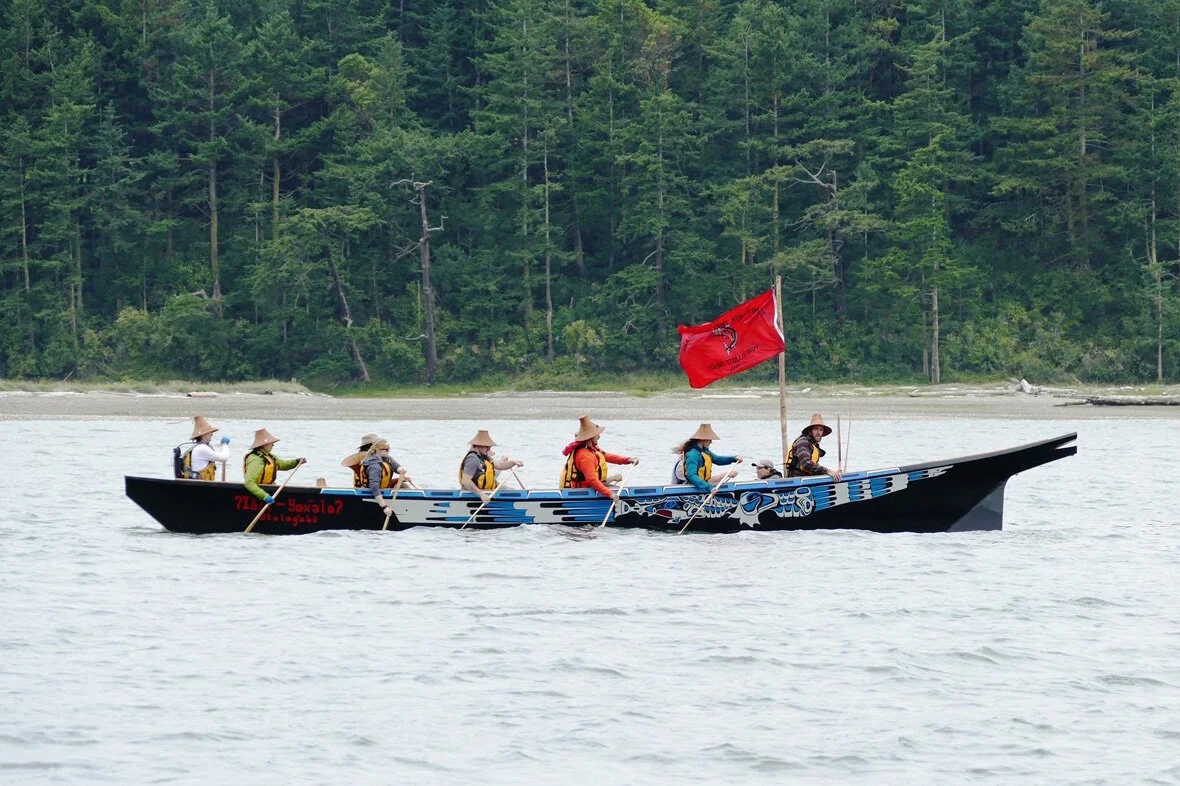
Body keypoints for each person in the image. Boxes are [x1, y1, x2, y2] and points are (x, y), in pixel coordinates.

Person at [559, 416, 638, 500]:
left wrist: (628, 460)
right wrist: (610, 494)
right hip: (584, 492)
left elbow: (606, 456)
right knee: (618, 492)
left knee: (620, 489)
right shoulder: (585, 456)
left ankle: (612, 480)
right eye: (597, 434)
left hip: (590, 487)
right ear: (590, 437)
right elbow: (592, 480)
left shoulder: (591, 449)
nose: (599, 437)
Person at [671, 423, 743, 491]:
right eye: (709, 440)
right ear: (703, 440)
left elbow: (717, 459)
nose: (711, 442)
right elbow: (691, 475)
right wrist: (709, 487)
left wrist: (734, 458)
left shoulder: (704, 451)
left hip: (700, 485)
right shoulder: (692, 455)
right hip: (688, 488)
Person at [243, 428, 305, 504]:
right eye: (271, 442)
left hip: (268, 490)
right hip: (259, 494)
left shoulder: (269, 456)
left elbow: (284, 464)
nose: (273, 445)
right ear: (264, 444)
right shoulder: (255, 460)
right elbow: (249, 482)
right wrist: (264, 496)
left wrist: (297, 461)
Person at [459, 430, 522, 503]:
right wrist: (481, 495)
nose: (489, 449)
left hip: (490, 487)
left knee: (514, 492)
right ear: (478, 445)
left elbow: (499, 465)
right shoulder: (472, 459)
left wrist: (513, 462)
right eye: (487, 447)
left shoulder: (484, 456)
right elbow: (466, 481)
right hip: (475, 493)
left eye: (490, 447)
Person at [360, 438, 413, 514]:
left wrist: (401, 470)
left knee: (403, 485)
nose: (389, 451)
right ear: (378, 450)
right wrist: (384, 507)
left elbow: (396, 466)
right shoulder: (375, 467)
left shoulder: (385, 458)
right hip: (375, 494)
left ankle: (408, 509)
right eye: (387, 449)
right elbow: (374, 488)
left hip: (384, 488)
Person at [786, 413, 842, 481]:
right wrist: (828, 471)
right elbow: (806, 463)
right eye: (816, 429)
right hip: (797, 480)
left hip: (808, 479)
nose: (818, 432)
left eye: (821, 430)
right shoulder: (803, 442)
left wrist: (834, 473)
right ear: (810, 431)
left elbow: (815, 468)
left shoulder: (814, 446)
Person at [176, 415, 231, 481]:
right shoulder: (202, 448)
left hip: (197, 483)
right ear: (204, 434)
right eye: (210, 432)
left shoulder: (197, 447)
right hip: (201, 486)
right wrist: (224, 445)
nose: (212, 434)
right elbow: (224, 458)